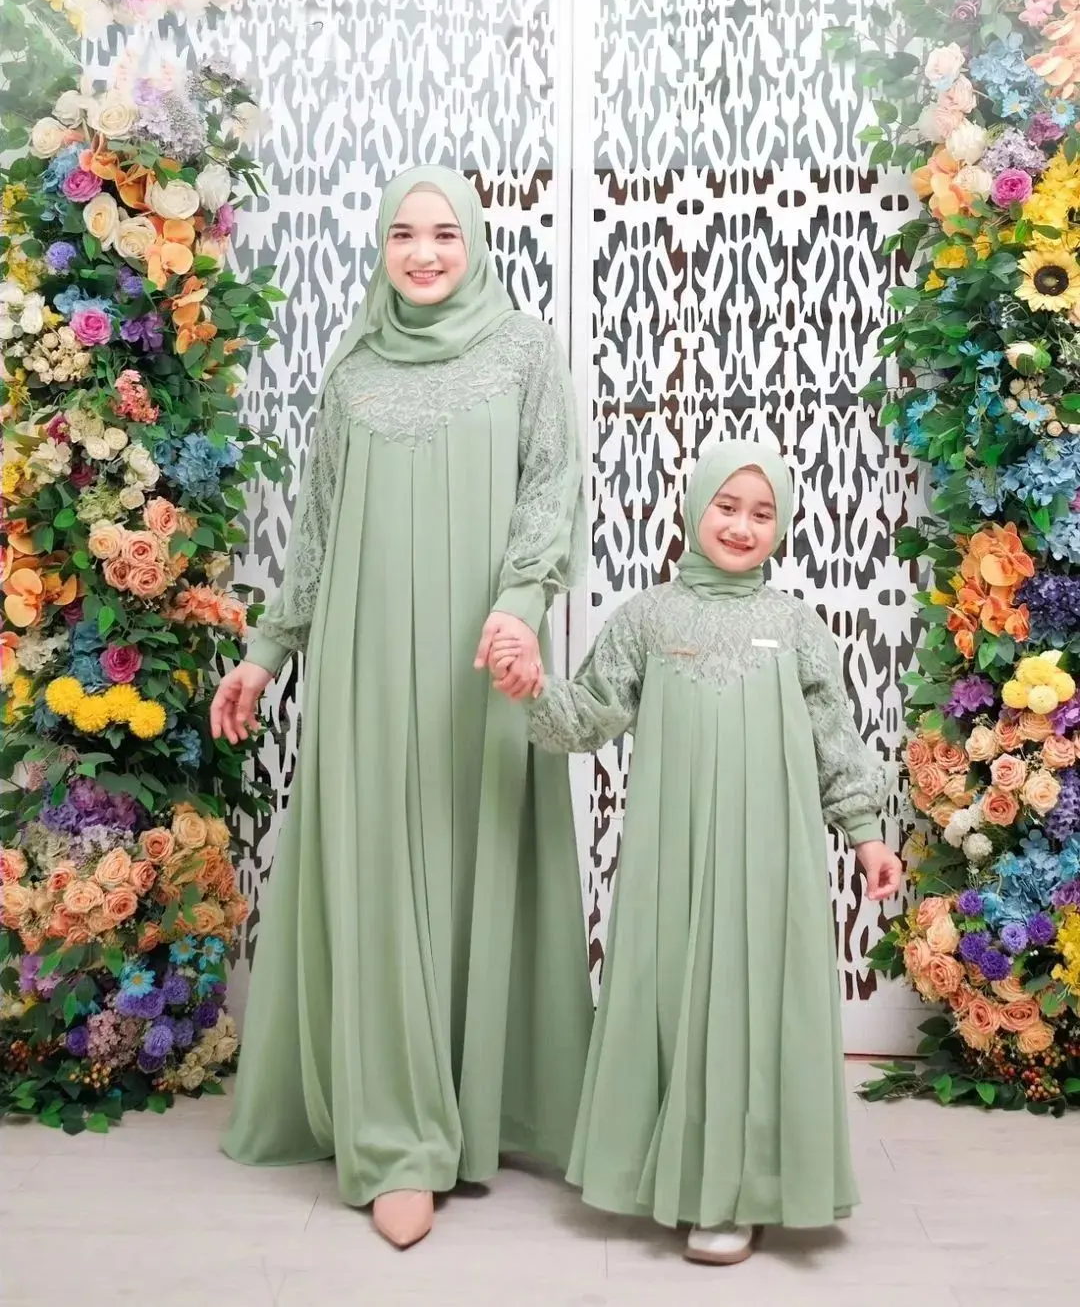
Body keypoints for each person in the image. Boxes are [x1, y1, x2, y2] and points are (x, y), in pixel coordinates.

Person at [213, 166, 593, 1251]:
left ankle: (488, 1102)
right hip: (366, 657)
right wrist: (266, 654)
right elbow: (318, 530)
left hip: (483, 658)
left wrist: (522, 607)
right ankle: (397, 1138)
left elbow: (551, 488)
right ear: (381, 248)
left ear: (474, 243)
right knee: (381, 870)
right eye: (402, 236)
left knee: (475, 853)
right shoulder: (354, 370)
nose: (423, 254)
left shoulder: (523, 351)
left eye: (443, 234)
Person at [490, 439, 901, 1265]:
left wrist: (865, 835)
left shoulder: (794, 626)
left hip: (771, 855)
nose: (742, 527)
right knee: (674, 998)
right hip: (670, 852)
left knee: (753, 1002)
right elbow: (590, 716)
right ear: (693, 507)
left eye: (762, 513)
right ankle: (671, 1173)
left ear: (782, 526)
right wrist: (533, 690)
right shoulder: (647, 619)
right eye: (727, 506)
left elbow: (833, 737)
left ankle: (736, 1192)